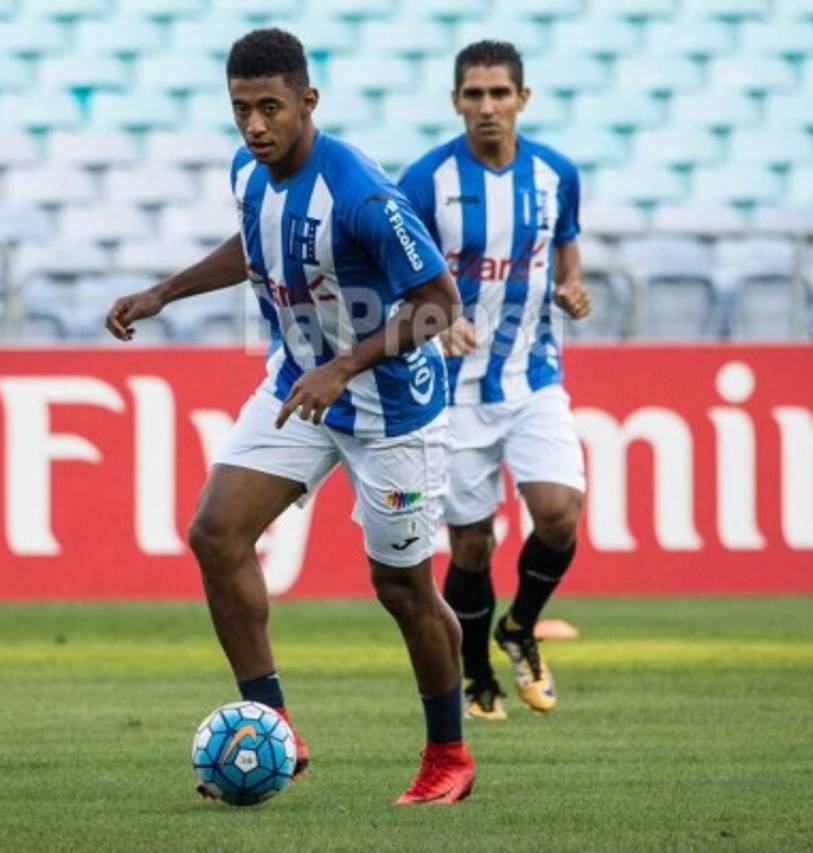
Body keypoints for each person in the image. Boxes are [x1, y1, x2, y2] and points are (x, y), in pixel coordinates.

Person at [105, 28, 475, 805]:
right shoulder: (248, 169)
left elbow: (442, 307)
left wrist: (343, 364)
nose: (255, 126)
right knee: (215, 531)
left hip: (392, 409)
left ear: (308, 101)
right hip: (300, 387)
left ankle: (448, 754)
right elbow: (254, 246)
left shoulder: (364, 195)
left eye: (270, 107)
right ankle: (272, 724)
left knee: (402, 587)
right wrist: (162, 293)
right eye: (241, 109)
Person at [398, 40, 591, 721]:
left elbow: (564, 240)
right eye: (473, 95)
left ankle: (521, 627)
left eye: (499, 94)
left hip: (532, 377)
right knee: (472, 543)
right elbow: (397, 275)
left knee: (560, 514)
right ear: (455, 101)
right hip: (450, 392)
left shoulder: (555, 173)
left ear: (522, 99)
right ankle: (478, 671)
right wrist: (433, 318)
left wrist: (572, 285)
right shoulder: (424, 182)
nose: (486, 107)